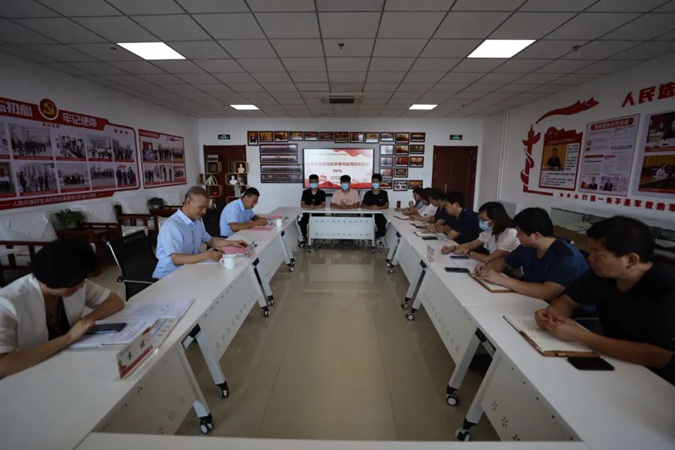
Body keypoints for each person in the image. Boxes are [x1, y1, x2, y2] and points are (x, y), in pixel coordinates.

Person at [535, 217, 674, 385]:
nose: (590, 258)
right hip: (612, 360)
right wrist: (552, 316)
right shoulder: (601, 274)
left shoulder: (666, 288)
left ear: (631, 260)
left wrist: (583, 337)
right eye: (590, 251)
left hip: (655, 380)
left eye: (599, 254)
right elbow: (568, 301)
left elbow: (659, 356)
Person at [0, 238, 125, 378]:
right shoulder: (7, 303)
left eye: (83, 280)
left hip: (66, 364)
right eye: (76, 282)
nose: (81, 286)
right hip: (27, 375)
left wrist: (84, 322)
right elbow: (3, 366)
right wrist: (68, 337)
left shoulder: (75, 283)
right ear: (53, 278)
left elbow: (114, 301)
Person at [475, 207, 588, 301]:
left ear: (536, 236)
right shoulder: (527, 247)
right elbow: (505, 261)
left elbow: (548, 292)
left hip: (557, 309)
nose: (517, 236)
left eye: (519, 233)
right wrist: (487, 269)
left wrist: (501, 280)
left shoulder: (566, 256)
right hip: (529, 298)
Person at [154, 186, 247, 279]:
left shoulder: (196, 222)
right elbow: (177, 259)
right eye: (201, 207)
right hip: (168, 276)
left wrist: (233, 242)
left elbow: (211, 241)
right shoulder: (172, 226)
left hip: (190, 270)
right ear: (188, 202)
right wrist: (208, 255)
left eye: (206, 208)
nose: (204, 211)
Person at [442, 201, 520, 263]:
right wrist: (453, 248)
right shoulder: (490, 231)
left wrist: (468, 252)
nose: (480, 222)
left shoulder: (511, 233)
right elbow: (472, 244)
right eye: (479, 218)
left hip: (509, 273)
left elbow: (489, 259)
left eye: (483, 219)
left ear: (495, 220)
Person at [361, 173, 389, 242]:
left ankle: (378, 238)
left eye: (376, 182)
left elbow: (387, 205)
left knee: (381, 230)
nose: (375, 183)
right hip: (369, 216)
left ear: (380, 183)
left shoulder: (384, 193)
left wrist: (378, 208)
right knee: (368, 230)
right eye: (373, 182)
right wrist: (370, 207)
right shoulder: (368, 193)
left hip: (381, 216)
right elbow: (362, 205)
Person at [299, 173, 326, 243]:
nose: (314, 183)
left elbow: (323, 205)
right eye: (312, 182)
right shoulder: (305, 192)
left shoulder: (322, 192)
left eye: (315, 182)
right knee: (303, 222)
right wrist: (309, 207)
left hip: (318, 214)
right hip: (307, 213)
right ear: (309, 182)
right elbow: (302, 204)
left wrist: (315, 207)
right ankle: (304, 236)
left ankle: (317, 237)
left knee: (318, 222)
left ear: (318, 182)